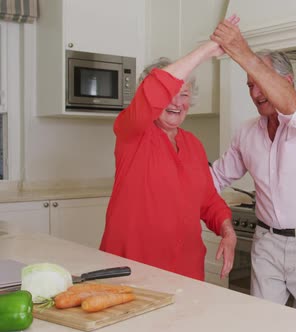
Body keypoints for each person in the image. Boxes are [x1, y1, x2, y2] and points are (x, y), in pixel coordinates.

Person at [209, 20, 296, 317]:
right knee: (263, 322)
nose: (255, 93)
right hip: (267, 242)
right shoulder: (246, 132)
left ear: (287, 81)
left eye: (260, 81)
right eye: (250, 84)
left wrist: (243, 52)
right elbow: (216, 177)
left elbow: (293, 108)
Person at [100, 17, 240, 281]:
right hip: (132, 270)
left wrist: (227, 229)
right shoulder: (133, 131)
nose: (177, 102)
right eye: (170, 94)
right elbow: (154, 90)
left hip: (185, 272)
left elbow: (208, 200)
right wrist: (207, 50)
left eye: (184, 94)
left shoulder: (193, 145)